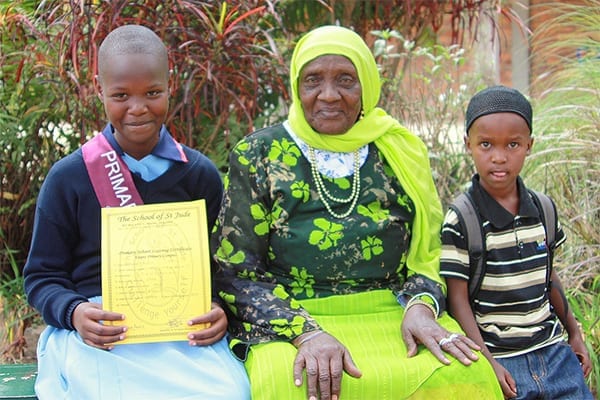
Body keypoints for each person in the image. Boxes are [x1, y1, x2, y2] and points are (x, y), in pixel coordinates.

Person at [211, 25, 503, 400]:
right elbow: (235, 271)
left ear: (366, 84)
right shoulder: (258, 155)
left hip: (395, 314)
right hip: (291, 319)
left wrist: (421, 307)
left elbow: (430, 253)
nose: (329, 95)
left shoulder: (398, 150)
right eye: (313, 80)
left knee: (466, 374)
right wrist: (306, 332)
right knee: (286, 383)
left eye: (345, 80)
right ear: (296, 87)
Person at [23, 25, 250, 400]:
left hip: (182, 329)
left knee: (231, 391)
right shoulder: (69, 178)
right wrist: (74, 312)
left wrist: (219, 309)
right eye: (121, 95)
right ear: (99, 90)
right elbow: (41, 277)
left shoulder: (199, 175)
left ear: (169, 85)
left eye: (153, 93)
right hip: (100, 332)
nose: (138, 107)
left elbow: (224, 271)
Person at [440, 85, 593, 399]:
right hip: (501, 359)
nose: (499, 157)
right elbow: (458, 301)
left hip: (554, 353)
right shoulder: (461, 219)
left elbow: (548, 276)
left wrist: (574, 334)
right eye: (486, 144)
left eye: (513, 144)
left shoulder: (544, 210)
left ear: (529, 145)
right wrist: (487, 362)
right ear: (467, 144)